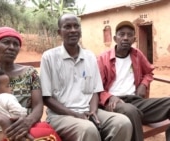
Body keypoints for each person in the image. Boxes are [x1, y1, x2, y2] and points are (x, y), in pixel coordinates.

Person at [40, 13, 133, 141]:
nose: (73, 30)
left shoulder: (89, 57)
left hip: (88, 111)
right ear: (59, 32)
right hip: (60, 116)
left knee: (123, 123)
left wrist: (93, 111)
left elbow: (95, 91)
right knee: (88, 129)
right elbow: (46, 98)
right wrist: (75, 115)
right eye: (67, 27)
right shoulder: (49, 57)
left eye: (76, 26)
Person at [97, 20, 170, 141]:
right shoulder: (103, 59)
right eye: (122, 34)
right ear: (115, 38)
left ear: (134, 39)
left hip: (136, 102)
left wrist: (143, 84)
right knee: (130, 111)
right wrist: (110, 97)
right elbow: (96, 87)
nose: (125, 38)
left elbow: (148, 71)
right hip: (114, 104)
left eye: (130, 35)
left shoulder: (137, 55)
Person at [0, 26, 60, 141]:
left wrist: (28, 121)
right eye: (6, 42)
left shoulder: (30, 73)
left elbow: (38, 106)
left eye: (16, 44)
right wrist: (2, 120)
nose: (11, 47)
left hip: (25, 129)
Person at [0, 69, 61, 141]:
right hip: (15, 132)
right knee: (47, 130)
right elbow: (19, 112)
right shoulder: (7, 97)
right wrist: (23, 117)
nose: (11, 88)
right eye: (8, 85)